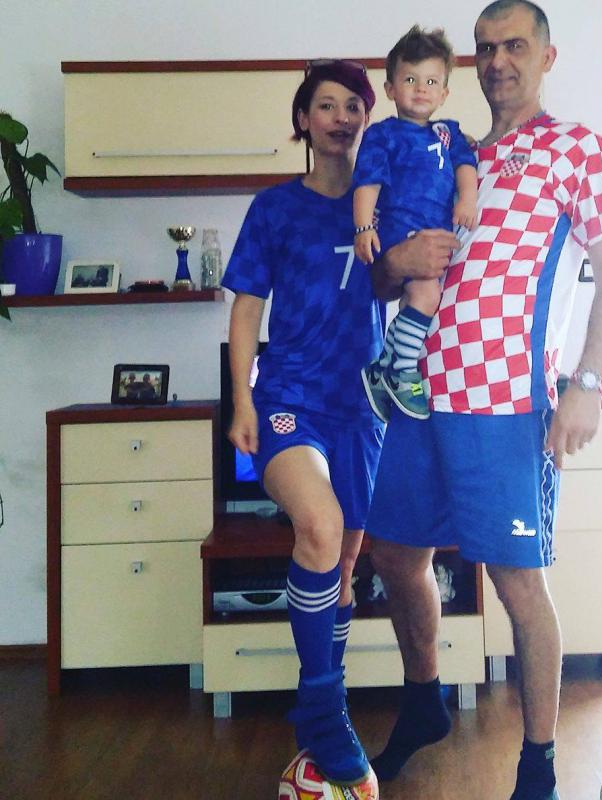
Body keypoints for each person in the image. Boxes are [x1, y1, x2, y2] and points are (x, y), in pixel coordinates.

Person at [364, 3, 602, 799]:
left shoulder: (575, 148)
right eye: (484, 48)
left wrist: (586, 384)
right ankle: (424, 700)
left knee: (517, 583)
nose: (497, 61)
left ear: (547, 56)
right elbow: (382, 279)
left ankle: (539, 763)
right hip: (418, 395)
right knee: (394, 553)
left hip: (504, 403)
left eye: (515, 45)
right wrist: (397, 261)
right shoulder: (451, 151)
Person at [221, 61, 383, 787]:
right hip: (291, 396)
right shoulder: (274, 208)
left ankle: (326, 697)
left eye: (354, 106)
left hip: (364, 406)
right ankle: (323, 709)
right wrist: (244, 401)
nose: (341, 117)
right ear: (304, 120)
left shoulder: (381, 206)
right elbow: (247, 309)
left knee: (342, 565)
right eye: (327, 105)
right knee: (318, 524)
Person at [353, 25, 478, 421]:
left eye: (431, 82)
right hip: (400, 234)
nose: (421, 89)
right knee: (425, 295)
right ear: (390, 88)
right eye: (410, 80)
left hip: (436, 235)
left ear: (444, 93)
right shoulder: (382, 135)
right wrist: (363, 228)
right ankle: (403, 371)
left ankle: (382, 368)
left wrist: (468, 199)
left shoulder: (449, 133)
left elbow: (466, 166)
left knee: (416, 302)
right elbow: (367, 183)